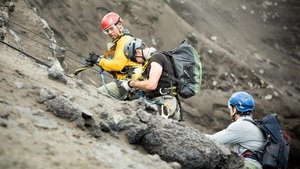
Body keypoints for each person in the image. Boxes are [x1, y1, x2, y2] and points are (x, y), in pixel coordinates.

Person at [120, 37, 181, 121]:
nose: (137, 62)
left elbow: (151, 85)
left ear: (138, 51)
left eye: (134, 58)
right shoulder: (156, 58)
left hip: (165, 102)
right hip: (167, 100)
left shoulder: (156, 58)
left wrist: (131, 83)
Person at [85, 12, 142, 99]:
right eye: (107, 31)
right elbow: (121, 68)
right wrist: (97, 60)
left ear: (119, 24)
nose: (109, 32)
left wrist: (98, 60)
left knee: (97, 94)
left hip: (130, 83)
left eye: (111, 28)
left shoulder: (124, 40)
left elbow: (117, 66)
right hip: (132, 83)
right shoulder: (124, 40)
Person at [206, 91, 265, 169]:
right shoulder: (254, 124)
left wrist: (194, 134)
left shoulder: (241, 126)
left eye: (230, 108)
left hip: (249, 166)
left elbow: (213, 140)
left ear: (234, 109)